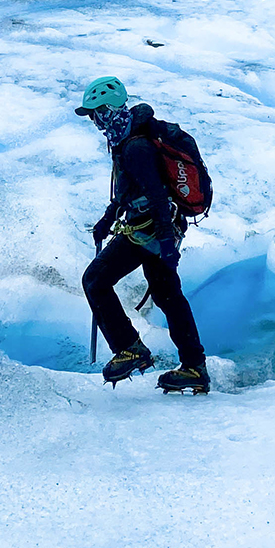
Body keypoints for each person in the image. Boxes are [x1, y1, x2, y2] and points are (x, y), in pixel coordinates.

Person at [76, 76, 209, 394]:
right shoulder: (124, 137)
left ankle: (131, 348)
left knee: (95, 280)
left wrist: (165, 241)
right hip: (150, 228)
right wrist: (109, 217)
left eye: (95, 113)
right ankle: (194, 367)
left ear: (107, 110)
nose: (93, 121)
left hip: (149, 230)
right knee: (167, 296)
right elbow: (129, 188)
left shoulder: (134, 146)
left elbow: (156, 193)